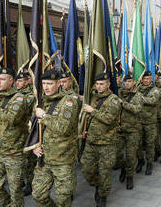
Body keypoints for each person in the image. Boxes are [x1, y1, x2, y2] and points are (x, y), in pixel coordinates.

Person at [31, 69, 79, 207]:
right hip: (44, 158)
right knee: (38, 195)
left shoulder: (69, 101)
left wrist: (44, 116)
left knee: (63, 200)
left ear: (58, 83)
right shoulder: (41, 101)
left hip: (63, 159)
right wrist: (34, 145)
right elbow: (33, 127)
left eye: (50, 83)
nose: (46, 87)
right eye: (44, 83)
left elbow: (63, 128)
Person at [0, 68, 30, 207]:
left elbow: (11, 118)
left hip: (14, 152)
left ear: (11, 81)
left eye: (2, 79)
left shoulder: (19, 98)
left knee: (15, 191)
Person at [81, 73, 121, 207]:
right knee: (87, 170)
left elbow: (109, 119)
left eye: (102, 84)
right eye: (97, 84)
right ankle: (98, 185)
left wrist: (92, 111)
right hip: (91, 142)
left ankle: (103, 195)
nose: (99, 86)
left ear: (108, 84)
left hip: (106, 143)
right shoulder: (93, 98)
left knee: (104, 172)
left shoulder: (113, 100)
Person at [117, 73, 142, 190]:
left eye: (129, 81)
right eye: (125, 81)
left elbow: (137, 109)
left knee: (131, 156)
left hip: (133, 130)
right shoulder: (119, 94)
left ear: (134, 82)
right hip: (120, 130)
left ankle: (129, 176)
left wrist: (124, 103)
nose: (127, 83)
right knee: (118, 155)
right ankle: (123, 168)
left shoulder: (138, 96)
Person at [15, 72, 35, 196]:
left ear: (27, 81)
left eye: (21, 81)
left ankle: (30, 183)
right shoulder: (15, 93)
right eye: (17, 81)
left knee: (29, 161)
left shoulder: (30, 95)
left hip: (27, 132)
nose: (18, 83)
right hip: (17, 133)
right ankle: (22, 180)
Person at [136, 71, 159, 175]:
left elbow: (153, 101)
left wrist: (140, 98)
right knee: (138, 144)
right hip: (139, 121)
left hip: (150, 122)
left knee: (150, 144)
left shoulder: (155, 90)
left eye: (148, 78)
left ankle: (149, 163)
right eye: (144, 78)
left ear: (151, 79)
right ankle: (140, 161)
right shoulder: (137, 88)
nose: (146, 80)